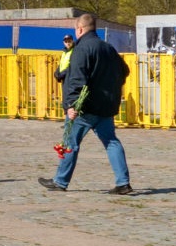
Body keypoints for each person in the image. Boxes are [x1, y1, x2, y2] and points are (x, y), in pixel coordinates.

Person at [41, 14, 133, 195]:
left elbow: (77, 79)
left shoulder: (82, 49)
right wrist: (111, 87)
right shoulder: (108, 48)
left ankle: (60, 181)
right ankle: (123, 183)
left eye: (76, 30)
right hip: (106, 106)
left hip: (85, 107)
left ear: (80, 29)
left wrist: (71, 105)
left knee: (71, 142)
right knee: (111, 142)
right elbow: (124, 71)